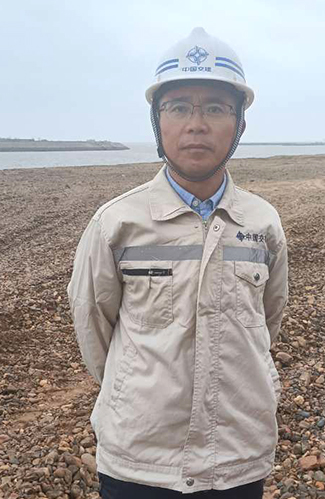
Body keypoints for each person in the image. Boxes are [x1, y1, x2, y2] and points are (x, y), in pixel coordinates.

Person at [68, 27, 288, 498]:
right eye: (179, 107)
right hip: (139, 459)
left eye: (216, 108)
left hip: (238, 455)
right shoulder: (116, 222)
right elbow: (93, 325)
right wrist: (136, 388)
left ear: (240, 123)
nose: (196, 124)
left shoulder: (262, 222)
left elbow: (268, 319)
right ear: (157, 120)